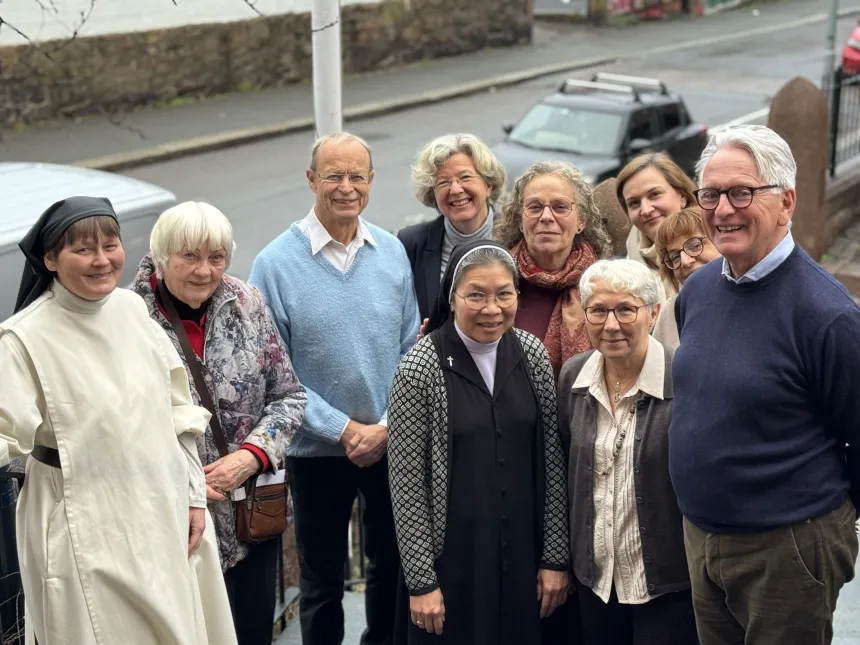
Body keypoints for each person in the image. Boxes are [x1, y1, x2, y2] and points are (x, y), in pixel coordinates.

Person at [0, 196, 237, 645]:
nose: (102, 260)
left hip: (160, 512)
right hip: (80, 525)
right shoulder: (22, 338)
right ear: (50, 258)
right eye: (83, 250)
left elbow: (178, 414)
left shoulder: (131, 310)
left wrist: (192, 497)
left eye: (110, 245)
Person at [670, 125, 860, 645]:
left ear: (786, 201)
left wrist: (825, 531)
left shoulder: (827, 315)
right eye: (710, 194)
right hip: (702, 536)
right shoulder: (702, 288)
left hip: (786, 548)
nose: (723, 209)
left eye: (742, 192)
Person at [249, 132, 420, 645]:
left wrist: (386, 427)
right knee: (321, 581)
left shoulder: (390, 252)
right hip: (315, 449)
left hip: (390, 445)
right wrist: (344, 430)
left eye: (356, 176)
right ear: (311, 181)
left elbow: (412, 347)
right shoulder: (274, 264)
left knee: (391, 565)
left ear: (370, 182)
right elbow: (274, 371)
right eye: (333, 176)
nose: (346, 187)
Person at [131, 201, 307, 645]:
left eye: (216, 257)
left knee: (250, 633)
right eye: (189, 256)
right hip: (172, 523)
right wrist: (184, 479)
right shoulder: (128, 318)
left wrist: (251, 457)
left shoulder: (247, 301)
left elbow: (288, 396)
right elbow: (123, 426)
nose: (204, 271)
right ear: (160, 255)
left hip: (250, 519)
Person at [387, 240, 569, 645]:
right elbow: (406, 484)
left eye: (504, 294)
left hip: (525, 557)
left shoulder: (532, 353)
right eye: (476, 295)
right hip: (453, 564)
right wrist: (421, 583)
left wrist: (555, 557)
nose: (492, 308)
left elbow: (553, 462)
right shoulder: (419, 367)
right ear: (452, 299)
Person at [557, 258, 696, 645]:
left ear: (652, 314)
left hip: (667, 582)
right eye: (598, 310)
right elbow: (568, 469)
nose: (611, 324)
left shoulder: (682, 377)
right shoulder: (574, 376)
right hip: (596, 580)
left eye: (625, 309)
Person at [495, 161, 612, 377]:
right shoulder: (497, 281)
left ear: (581, 221)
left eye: (560, 207)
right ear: (520, 220)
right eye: (535, 207)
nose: (546, 217)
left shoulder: (605, 284)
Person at [399, 133, 506, 322]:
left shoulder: (516, 236)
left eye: (465, 178)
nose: (455, 189)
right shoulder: (412, 243)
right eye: (443, 182)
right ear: (433, 194)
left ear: (488, 185)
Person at [616, 153, 698, 302]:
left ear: (682, 196)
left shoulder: (716, 242)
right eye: (634, 203)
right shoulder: (627, 267)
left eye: (654, 194)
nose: (646, 210)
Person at [651, 208, 721, 351]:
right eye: (674, 257)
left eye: (694, 246)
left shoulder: (752, 293)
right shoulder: (670, 313)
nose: (685, 261)